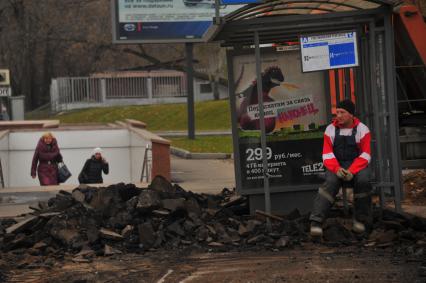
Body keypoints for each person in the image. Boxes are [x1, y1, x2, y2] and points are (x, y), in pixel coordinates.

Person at [310, 99, 372, 237]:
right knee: (330, 183)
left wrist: (352, 171)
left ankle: (361, 222)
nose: (338, 115)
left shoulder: (363, 129)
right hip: (336, 165)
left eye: (342, 112)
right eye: (337, 112)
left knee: (363, 181)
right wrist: (337, 169)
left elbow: (365, 155)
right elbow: (327, 154)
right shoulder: (330, 129)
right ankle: (316, 222)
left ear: (351, 115)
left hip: (357, 165)